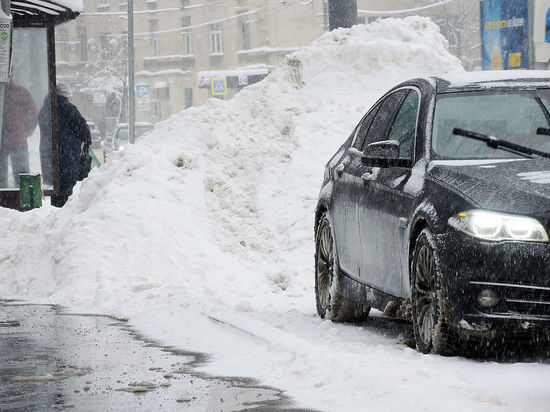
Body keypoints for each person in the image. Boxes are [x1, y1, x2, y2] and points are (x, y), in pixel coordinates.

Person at [39, 83, 91, 207]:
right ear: (66, 96)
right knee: (66, 195)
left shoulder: (45, 108)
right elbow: (84, 130)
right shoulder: (68, 108)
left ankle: (56, 219)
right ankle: (62, 222)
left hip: (48, 159)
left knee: (56, 193)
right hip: (66, 158)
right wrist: (87, 140)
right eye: (70, 96)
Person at [0, 82, 39, 188]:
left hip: (9, 140)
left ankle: (3, 201)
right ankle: (22, 201)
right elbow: (34, 114)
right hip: (18, 141)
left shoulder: (20, 92)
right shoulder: (21, 92)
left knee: (2, 182)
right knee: (22, 180)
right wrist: (25, 131)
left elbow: (33, 114)